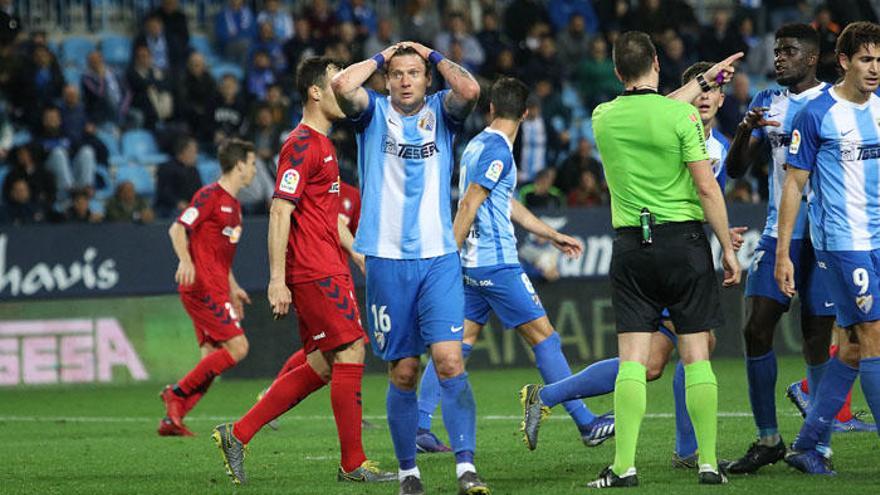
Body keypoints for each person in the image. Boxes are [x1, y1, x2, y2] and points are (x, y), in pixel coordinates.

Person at [518, 59, 746, 470]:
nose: (707, 97)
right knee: (694, 347)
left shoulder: (720, 147)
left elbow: (702, 196)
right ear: (689, 95)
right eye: (702, 90)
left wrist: (720, 229)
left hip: (683, 244)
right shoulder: (666, 124)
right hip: (657, 249)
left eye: (714, 91)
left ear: (722, 98)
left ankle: (546, 396)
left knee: (653, 363)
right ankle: (687, 450)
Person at [211, 57, 394, 486]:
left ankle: (237, 435)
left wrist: (354, 251)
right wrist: (277, 278)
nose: (345, 89)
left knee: (325, 364)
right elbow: (280, 210)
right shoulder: (300, 145)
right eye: (337, 83)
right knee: (351, 352)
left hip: (328, 263)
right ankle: (353, 464)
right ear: (315, 91)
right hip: (315, 269)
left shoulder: (323, 145)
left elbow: (325, 216)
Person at [415, 77, 614, 455]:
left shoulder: (477, 145)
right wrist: (446, 259)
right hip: (496, 265)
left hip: (474, 269)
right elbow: (469, 205)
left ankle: (420, 425)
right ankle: (587, 423)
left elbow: (504, 203)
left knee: (458, 343)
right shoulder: (498, 153)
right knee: (546, 338)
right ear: (525, 113)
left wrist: (551, 235)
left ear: (491, 108)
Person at [331, 42, 487, 495]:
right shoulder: (370, 113)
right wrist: (381, 55)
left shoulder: (443, 111)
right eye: (396, 73)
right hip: (385, 260)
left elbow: (472, 89)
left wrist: (432, 53)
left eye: (413, 73)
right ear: (385, 79)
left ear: (426, 80)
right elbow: (342, 84)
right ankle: (408, 474)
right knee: (403, 370)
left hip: (438, 255)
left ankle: (465, 468)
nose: (404, 80)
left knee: (450, 360)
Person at [722, 23, 837, 475]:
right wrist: (745, 130)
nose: (779, 58)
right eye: (777, 51)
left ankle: (820, 444)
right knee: (755, 327)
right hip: (777, 233)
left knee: (816, 337)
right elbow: (735, 171)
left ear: (812, 58)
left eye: (789, 51)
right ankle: (768, 438)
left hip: (827, 236)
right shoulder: (765, 102)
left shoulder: (833, 104)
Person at [775, 21, 880, 475]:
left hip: (877, 239)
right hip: (842, 244)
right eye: (865, 59)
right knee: (874, 336)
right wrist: (783, 253)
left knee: (855, 349)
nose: (874, 68)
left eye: (878, 59)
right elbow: (793, 187)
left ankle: (805, 445)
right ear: (844, 61)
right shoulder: (816, 114)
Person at [158, 138, 257, 437]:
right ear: (239, 165)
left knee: (211, 360)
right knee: (239, 347)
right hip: (201, 288)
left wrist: (234, 288)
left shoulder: (235, 208)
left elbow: (220, 258)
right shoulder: (209, 196)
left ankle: (173, 419)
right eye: (252, 164)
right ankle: (176, 393)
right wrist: (185, 260)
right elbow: (176, 228)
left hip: (216, 287)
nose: (254, 170)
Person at [155, 136, 202, 218]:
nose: (196, 155)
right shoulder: (167, 168)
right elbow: (164, 192)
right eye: (193, 152)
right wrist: (178, 203)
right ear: (183, 152)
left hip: (189, 208)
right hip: (169, 208)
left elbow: (199, 191)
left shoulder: (194, 170)